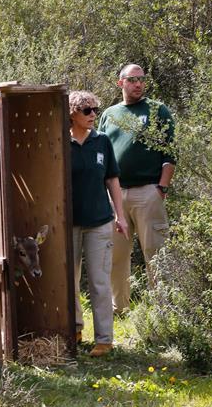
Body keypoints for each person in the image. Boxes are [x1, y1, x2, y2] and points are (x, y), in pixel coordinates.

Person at [98, 64, 176, 314]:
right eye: (132, 80)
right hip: (115, 196)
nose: (139, 84)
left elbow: (170, 154)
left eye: (142, 80)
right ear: (120, 83)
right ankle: (119, 309)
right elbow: (100, 152)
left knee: (156, 253)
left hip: (147, 193)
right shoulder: (109, 114)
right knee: (116, 256)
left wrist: (161, 188)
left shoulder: (156, 110)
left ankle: (163, 311)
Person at [69, 90, 128, 357]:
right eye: (87, 111)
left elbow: (112, 179)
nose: (94, 115)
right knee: (69, 280)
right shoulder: (59, 142)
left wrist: (121, 215)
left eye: (95, 109)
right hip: (68, 223)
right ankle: (75, 329)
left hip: (100, 222)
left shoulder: (102, 141)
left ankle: (104, 339)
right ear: (72, 113)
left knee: (99, 281)